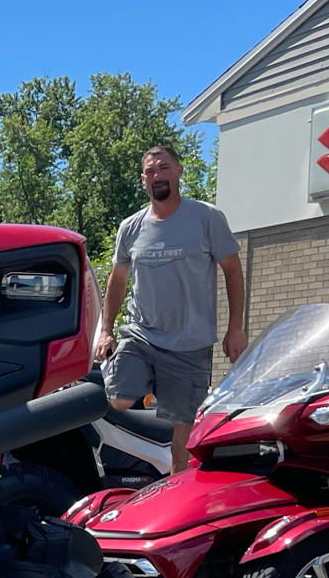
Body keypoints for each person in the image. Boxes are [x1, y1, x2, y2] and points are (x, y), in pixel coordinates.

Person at [95, 145, 246, 473]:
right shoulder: (131, 228)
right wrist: (106, 330)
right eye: (150, 172)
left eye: (163, 168)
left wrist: (236, 327)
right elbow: (117, 280)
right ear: (142, 180)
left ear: (179, 171)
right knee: (117, 400)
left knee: (183, 438)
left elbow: (232, 270)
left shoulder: (206, 217)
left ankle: (177, 503)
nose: (157, 176)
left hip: (190, 346)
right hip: (141, 337)